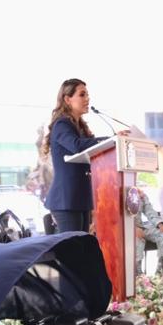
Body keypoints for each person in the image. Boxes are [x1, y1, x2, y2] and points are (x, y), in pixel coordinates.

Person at [42, 78, 118, 232]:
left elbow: (93, 151)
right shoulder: (62, 124)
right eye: (82, 95)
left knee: (81, 245)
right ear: (67, 99)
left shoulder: (81, 128)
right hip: (66, 199)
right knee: (74, 246)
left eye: (87, 95)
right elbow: (76, 145)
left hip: (81, 198)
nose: (87, 99)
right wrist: (111, 139)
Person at [133, 189, 163, 275]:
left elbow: (149, 211)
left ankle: (160, 274)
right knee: (137, 239)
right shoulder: (116, 191)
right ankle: (137, 275)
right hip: (124, 229)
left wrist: (160, 225)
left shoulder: (139, 193)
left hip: (141, 227)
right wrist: (133, 228)